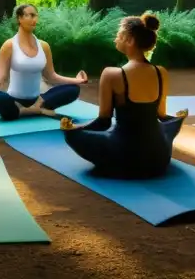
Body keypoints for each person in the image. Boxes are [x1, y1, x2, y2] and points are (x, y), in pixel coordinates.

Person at [60, 13, 187, 179]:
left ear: (130, 40)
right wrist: (175, 121)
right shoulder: (160, 72)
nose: (115, 39)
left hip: (123, 157)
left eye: (119, 35)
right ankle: (177, 122)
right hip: (159, 157)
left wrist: (76, 130)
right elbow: (162, 116)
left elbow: (103, 122)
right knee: (166, 128)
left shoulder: (111, 74)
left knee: (72, 135)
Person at [0, 4, 87, 120]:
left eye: (36, 16)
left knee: (74, 89)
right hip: (14, 101)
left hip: (39, 100)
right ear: (19, 18)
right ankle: (32, 110)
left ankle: (26, 111)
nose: (35, 20)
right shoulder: (9, 45)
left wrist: (77, 80)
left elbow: (52, 76)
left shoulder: (44, 46)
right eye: (31, 15)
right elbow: (1, 76)